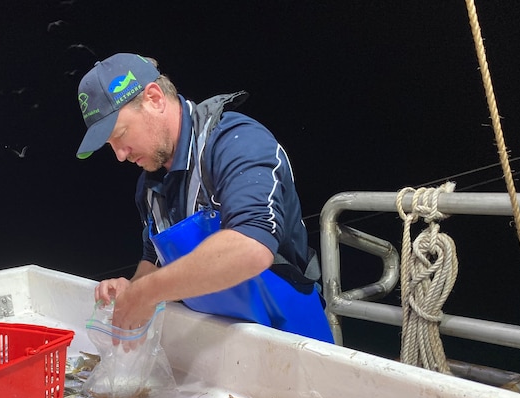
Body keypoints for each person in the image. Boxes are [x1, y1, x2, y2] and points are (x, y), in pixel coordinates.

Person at [75, 53, 334, 343]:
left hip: (292, 340)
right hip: (218, 346)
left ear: (154, 98)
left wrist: (145, 293)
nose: (120, 155)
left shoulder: (237, 142)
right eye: (112, 146)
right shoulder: (149, 186)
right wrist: (130, 289)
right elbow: (153, 261)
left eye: (121, 135)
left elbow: (250, 246)